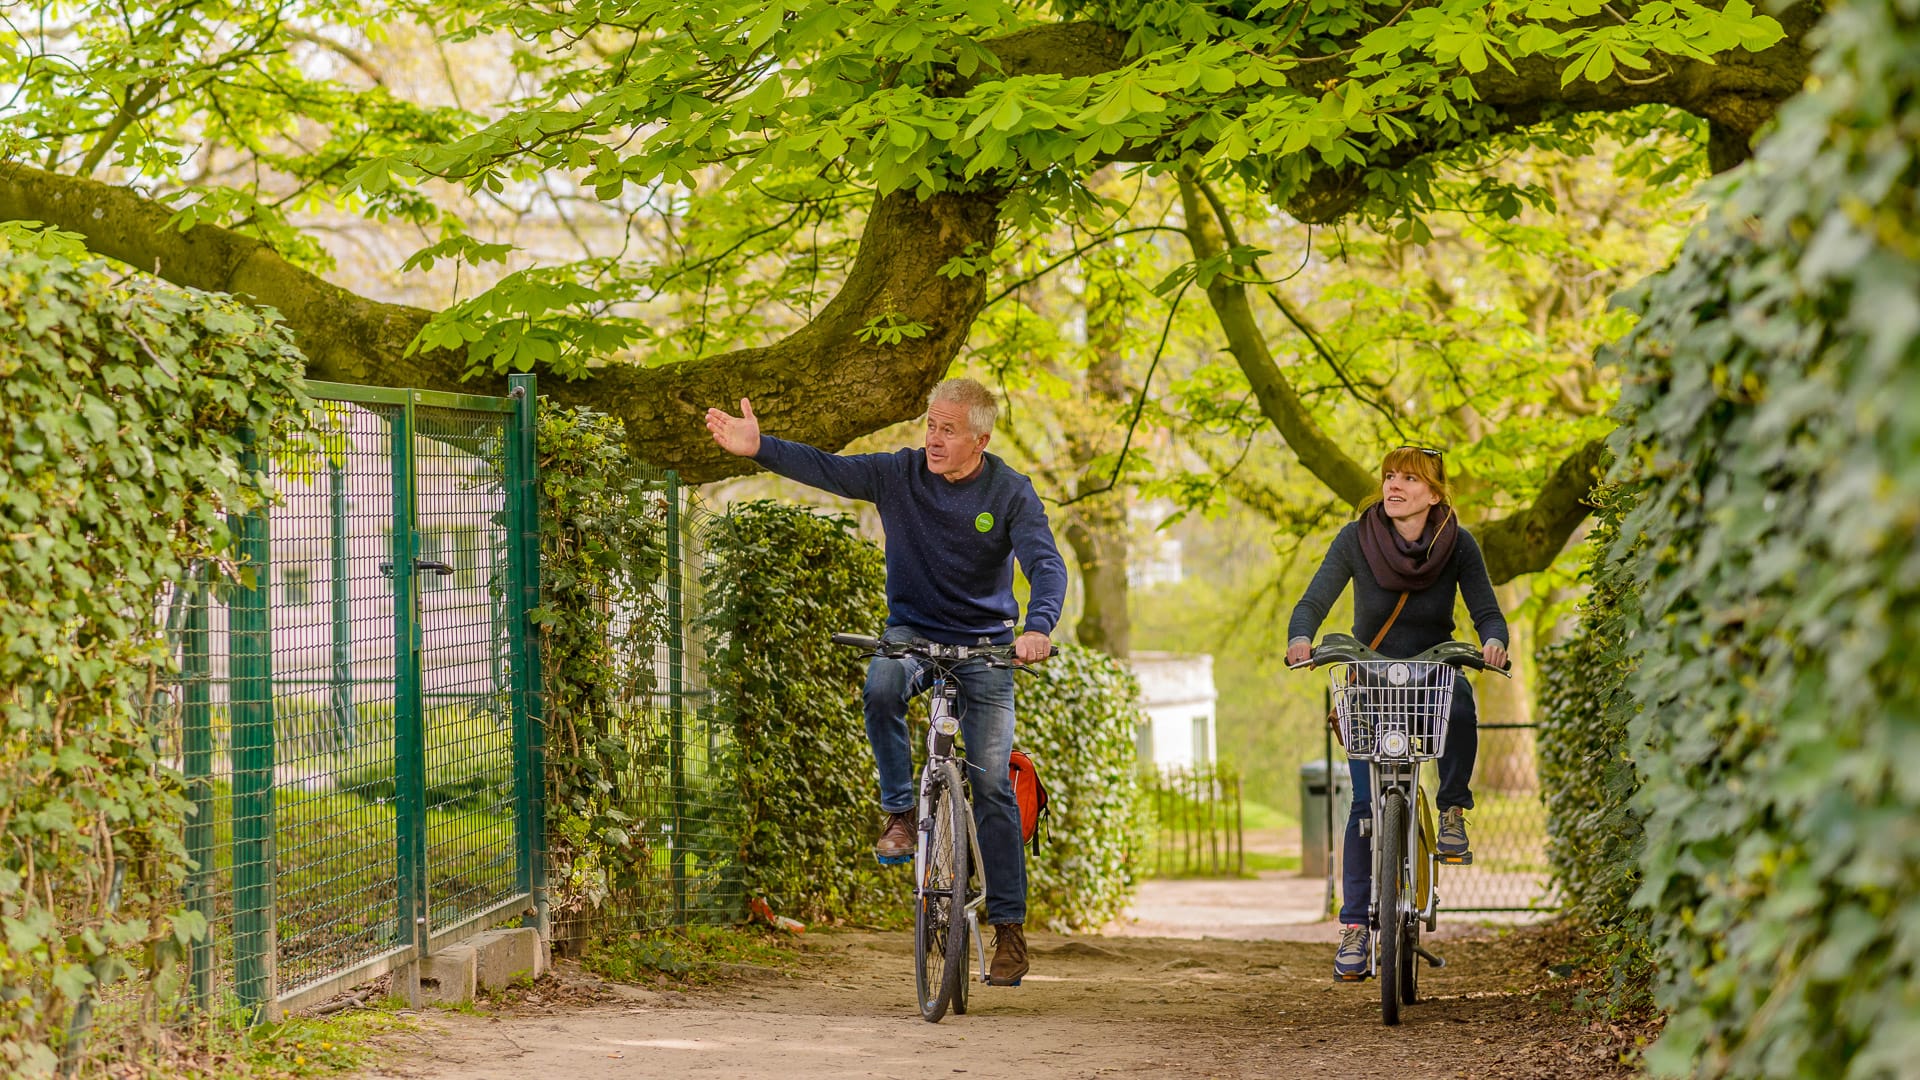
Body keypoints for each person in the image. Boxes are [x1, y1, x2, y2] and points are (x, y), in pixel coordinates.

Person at [704, 377, 1068, 987]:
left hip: (986, 649)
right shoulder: (898, 475)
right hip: (912, 636)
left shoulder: (1010, 493)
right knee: (881, 685)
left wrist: (1038, 627)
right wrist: (760, 447)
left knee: (995, 788)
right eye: (930, 424)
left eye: (948, 429)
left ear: (980, 438)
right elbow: (828, 469)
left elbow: (1044, 562)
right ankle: (901, 813)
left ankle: (1009, 931)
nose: (933, 438)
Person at [1284, 446, 1509, 981]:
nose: (1394, 485)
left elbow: (1485, 610)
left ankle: (1453, 810)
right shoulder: (1356, 538)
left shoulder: (1459, 544)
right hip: (1371, 677)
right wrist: (1301, 638)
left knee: (1460, 700)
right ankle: (1356, 930)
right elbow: (1313, 601)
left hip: (1433, 674)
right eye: (1389, 476)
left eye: (1410, 478)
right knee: (1364, 810)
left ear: (1434, 494)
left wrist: (1494, 641)